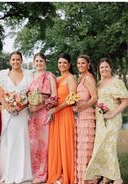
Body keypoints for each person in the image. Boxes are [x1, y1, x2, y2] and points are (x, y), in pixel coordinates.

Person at [84, 58, 128, 184]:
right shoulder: (99, 83)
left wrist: (112, 114)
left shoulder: (117, 82)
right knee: (101, 146)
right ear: (99, 69)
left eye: (106, 67)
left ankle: (117, 178)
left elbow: (125, 101)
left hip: (113, 118)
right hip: (100, 119)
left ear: (111, 68)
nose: (104, 69)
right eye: (102, 67)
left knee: (110, 146)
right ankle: (106, 175)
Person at [0, 51, 33, 183]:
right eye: (13, 59)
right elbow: (1, 95)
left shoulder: (28, 75)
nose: (15, 62)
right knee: (9, 140)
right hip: (7, 113)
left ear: (21, 60)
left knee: (22, 138)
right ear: (9, 61)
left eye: (18, 59)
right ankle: (8, 172)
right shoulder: (3, 74)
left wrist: (21, 106)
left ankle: (23, 173)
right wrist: (8, 107)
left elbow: (30, 94)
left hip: (22, 112)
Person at [47, 53, 77, 184]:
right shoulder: (56, 79)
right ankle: (57, 174)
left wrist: (57, 109)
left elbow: (72, 99)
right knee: (56, 145)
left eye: (65, 62)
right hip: (56, 115)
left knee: (65, 144)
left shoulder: (71, 78)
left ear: (69, 65)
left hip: (65, 114)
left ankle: (66, 176)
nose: (62, 65)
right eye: (60, 63)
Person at [28, 53, 57, 183]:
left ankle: (42, 175)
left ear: (45, 62)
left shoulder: (50, 76)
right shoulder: (31, 76)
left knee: (43, 145)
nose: (39, 63)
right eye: (37, 61)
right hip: (32, 115)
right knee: (33, 144)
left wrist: (41, 104)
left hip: (43, 113)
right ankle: (33, 173)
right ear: (34, 62)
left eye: (41, 61)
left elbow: (54, 97)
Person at [73, 55, 97, 184]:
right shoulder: (80, 78)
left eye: (83, 63)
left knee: (86, 147)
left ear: (88, 64)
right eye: (78, 63)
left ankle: (87, 180)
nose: (80, 65)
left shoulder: (89, 78)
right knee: (81, 147)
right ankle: (81, 179)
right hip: (80, 116)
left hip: (87, 115)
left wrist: (81, 107)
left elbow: (94, 98)